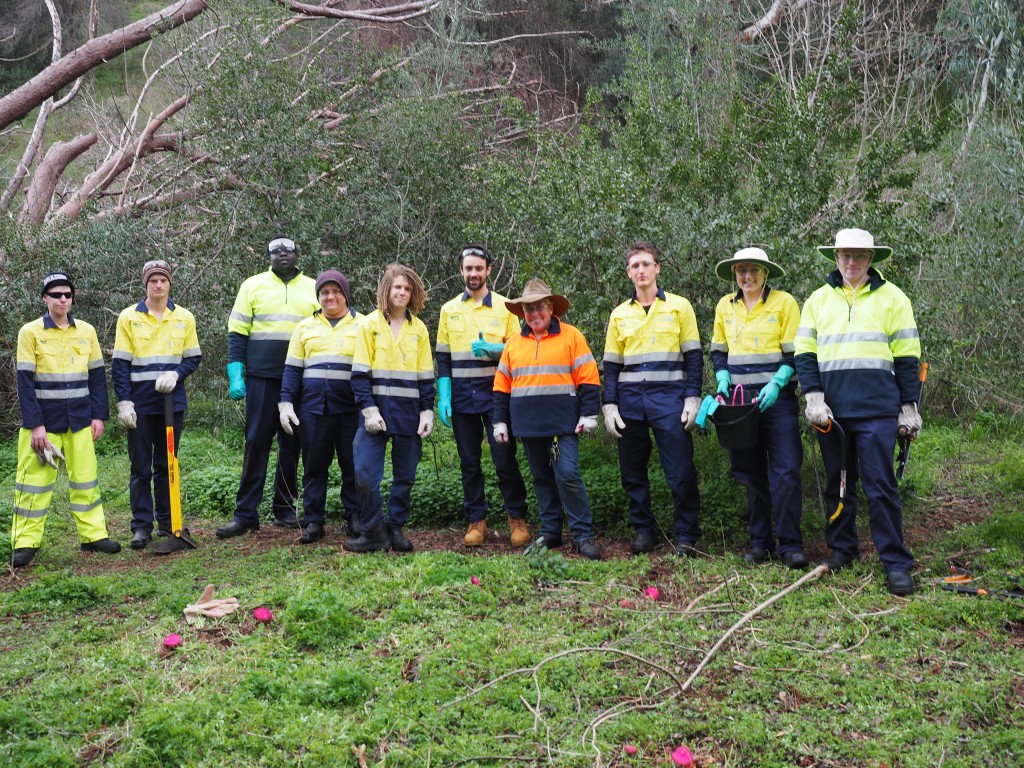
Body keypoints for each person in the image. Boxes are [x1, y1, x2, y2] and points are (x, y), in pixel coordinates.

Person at [795, 228, 922, 596]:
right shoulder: (818, 300)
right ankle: (843, 549)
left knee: (881, 484)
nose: (851, 263)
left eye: (859, 256)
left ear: (871, 259)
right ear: (836, 258)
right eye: (845, 256)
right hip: (831, 412)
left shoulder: (894, 297)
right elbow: (804, 354)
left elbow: (907, 357)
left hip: (878, 410)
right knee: (838, 482)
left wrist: (907, 407)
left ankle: (896, 561)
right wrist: (813, 397)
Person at [9, 272, 120, 567]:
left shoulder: (86, 331)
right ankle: (25, 543)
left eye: (67, 295)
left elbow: (97, 377)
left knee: (86, 481)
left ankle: (94, 536)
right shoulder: (30, 332)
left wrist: (99, 415)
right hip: (44, 425)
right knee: (33, 484)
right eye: (56, 294)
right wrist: (35, 424)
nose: (62, 299)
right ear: (45, 298)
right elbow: (25, 382)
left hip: (80, 420)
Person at [602, 242, 704, 557]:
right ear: (628, 272)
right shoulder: (619, 314)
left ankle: (686, 534)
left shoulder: (679, 306)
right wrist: (609, 406)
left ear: (657, 268)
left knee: (681, 470)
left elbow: (695, 358)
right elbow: (610, 366)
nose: (641, 270)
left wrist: (692, 398)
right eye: (635, 266)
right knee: (632, 471)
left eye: (646, 264)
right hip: (630, 400)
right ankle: (644, 531)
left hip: (670, 399)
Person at [710, 247, 807, 568]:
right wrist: (722, 377)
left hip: (776, 400)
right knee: (750, 473)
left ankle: (791, 544)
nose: (747, 276)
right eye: (741, 271)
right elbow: (718, 351)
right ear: (735, 274)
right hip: (739, 401)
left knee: (787, 471)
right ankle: (759, 543)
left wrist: (779, 382)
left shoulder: (785, 303)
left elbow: (795, 353)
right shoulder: (725, 305)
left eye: (754, 270)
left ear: (766, 273)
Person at [493, 278, 602, 560]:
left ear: (550, 307)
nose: (534, 313)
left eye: (539, 306)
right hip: (528, 426)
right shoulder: (513, 344)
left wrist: (589, 414)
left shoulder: (571, 336)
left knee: (567, 475)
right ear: (523, 313)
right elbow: (501, 387)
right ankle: (551, 532)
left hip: (563, 424)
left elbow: (589, 379)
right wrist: (500, 421)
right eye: (528, 308)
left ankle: (583, 535)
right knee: (541, 478)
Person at [218, 234, 319, 538]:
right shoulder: (252, 285)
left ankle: (285, 509)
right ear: (268, 256)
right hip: (261, 378)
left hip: (299, 380)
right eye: (276, 250)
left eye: (288, 249)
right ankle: (245, 514)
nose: (283, 254)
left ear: (297, 253)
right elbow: (237, 332)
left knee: (292, 445)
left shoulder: (313, 287)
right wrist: (236, 374)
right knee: (256, 443)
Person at [435, 244, 531, 548]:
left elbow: (519, 351)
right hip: (462, 398)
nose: (473, 273)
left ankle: (516, 518)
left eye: (479, 268)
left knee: (505, 459)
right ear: (461, 271)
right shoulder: (449, 310)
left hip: (497, 397)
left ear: (488, 270)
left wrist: (495, 350)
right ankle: (477, 520)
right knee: (469, 462)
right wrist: (444, 396)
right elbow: (444, 358)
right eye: (468, 268)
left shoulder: (506, 307)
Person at [344, 264, 435, 553]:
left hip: (408, 414)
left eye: (407, 288)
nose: (402, 292)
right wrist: (368, 410)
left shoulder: (418, 328)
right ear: (387, 289)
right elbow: (359, 374)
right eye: (398, 287)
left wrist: (427, 411)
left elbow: (425, 375)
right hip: (375, 415)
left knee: (405, 476)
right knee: (365, 473)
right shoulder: (369, 325)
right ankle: (373, 531)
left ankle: (395, 528)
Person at [112, 260, 202, 549]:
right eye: (153, 280)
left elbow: (193, 357)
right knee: (141, 467)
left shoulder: (184, 317)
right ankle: (141, 527)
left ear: (169, 283)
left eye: (163, 280)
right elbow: (120, 364)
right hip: (140, 403)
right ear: (145, 284)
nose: (158, 285)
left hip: (171, 404)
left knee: (168, 464)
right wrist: (124, 401)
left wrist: (177, 373)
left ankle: (169, 521)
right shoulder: (128, 317)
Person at [278, 269, 361, 544]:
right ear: (319, 297)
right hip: (313, 409)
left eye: (336, 291)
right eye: (325, 292)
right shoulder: (304, 327)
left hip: (351, 409)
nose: (330, 296)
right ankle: (313, 521)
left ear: (346, 295)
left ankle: (355, 518)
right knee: (314, 467)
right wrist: (286, 402)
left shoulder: (363, 326)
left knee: (353, 465)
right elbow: (292, 369)